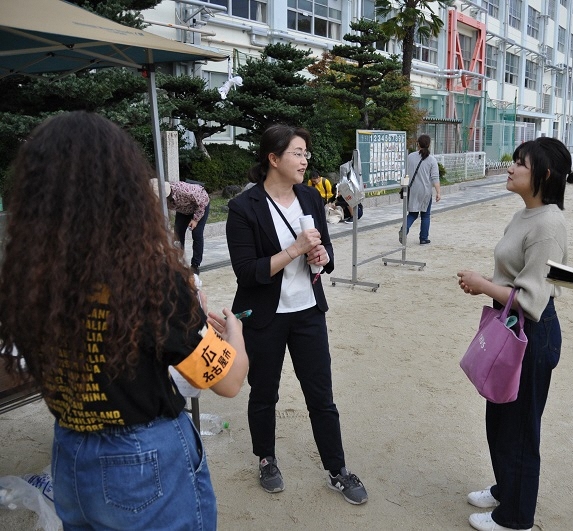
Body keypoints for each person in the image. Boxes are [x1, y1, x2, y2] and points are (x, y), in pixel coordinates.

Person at [0, 111, 249, 530]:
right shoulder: (149, 278)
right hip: (142, 460)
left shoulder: (27, 279)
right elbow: (228, 381)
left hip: (70, 454)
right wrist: (233, 334)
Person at [226, 124, 368, 505]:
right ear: (273, 159)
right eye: (297, 153)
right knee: (264, 392)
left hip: (308, 311)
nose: (305, 160)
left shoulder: (309, 197)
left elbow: (326, 252)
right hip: (265, 315)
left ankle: (337, 469)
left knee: (321, 394)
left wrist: (321, 256)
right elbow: (247, 272)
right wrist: (295, 249)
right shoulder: (243, 207)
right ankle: (266, 459)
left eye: (306, 153)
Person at [456, 137, 573, 531]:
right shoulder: (525, 214)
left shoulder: (548, 224)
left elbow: (532, 298)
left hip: (531, 332)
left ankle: (516, 517)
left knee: (521, 427)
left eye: (520, 163)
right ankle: (507, 489)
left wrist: (482, 285)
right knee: (500, 416)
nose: (510, 167)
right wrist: (488, 286)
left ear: (544, 174)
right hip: (510, 325)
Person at [151, 178, 210, 275]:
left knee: (197, 234)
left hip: (200, 206)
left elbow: (202, 201)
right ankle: (178, 262)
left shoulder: (184, 190)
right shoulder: (161, 201)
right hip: (183, 210)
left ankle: (195, 265)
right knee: (178, 235)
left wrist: (195, 219)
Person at [402, 134, 441, 244]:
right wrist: (438, 192)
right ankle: (423, 238)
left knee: (412, 214)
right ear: (429, 145)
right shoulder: (432, 160)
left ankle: (404, 230)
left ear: (418, 144)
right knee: (425, 215)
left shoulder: (410, 157)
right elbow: (435, 178)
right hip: (426, 191)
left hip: (412, 190)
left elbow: (406, 173)